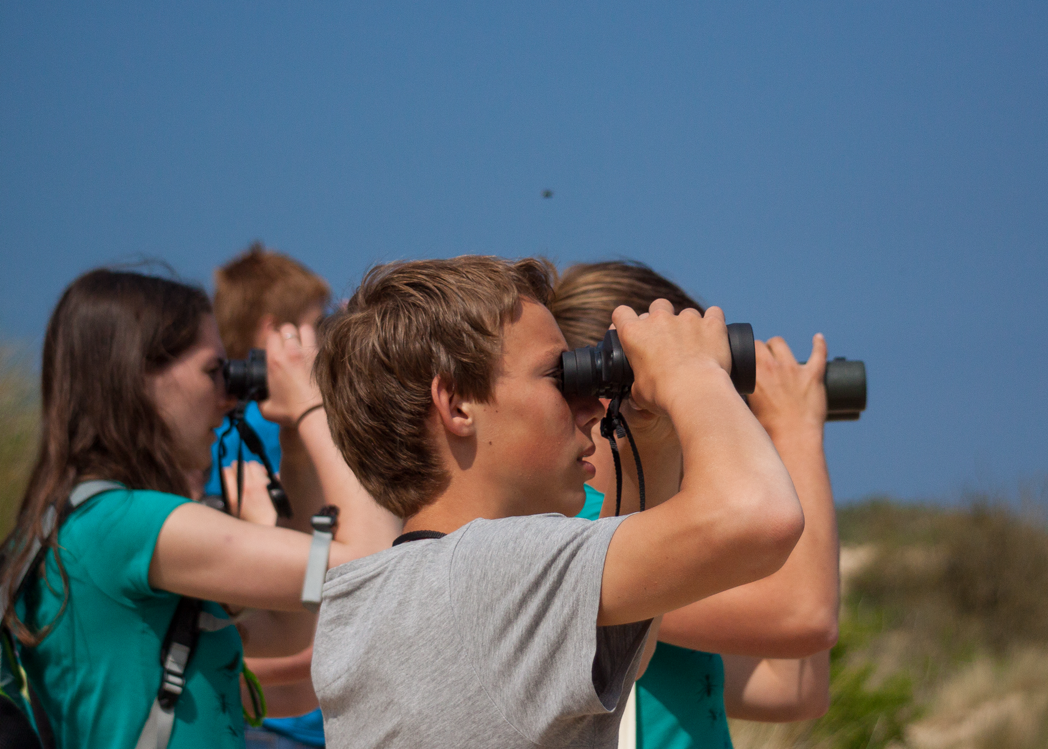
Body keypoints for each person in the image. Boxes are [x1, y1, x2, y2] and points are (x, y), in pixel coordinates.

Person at [309, 256, 805, 748]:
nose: (590, 406)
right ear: (457, 404)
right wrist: (692, 373)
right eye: (557, 376)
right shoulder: (493, 570)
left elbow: (641, 644)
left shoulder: (362, 598)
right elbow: (761, 516)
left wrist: (650, 436)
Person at [0, 268, 399, 748]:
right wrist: (314, 405)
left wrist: (294, 442)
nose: (229, 396)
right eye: (214, 371)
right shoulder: (126, 523)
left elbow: (288, 625)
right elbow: (371, 568)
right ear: (139, 376)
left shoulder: (81, 523)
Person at [551, 261, 837, 748]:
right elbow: (805, 615)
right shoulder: (584, 530)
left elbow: (795, 688)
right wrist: (792, 429)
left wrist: (777, 442)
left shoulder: (655, 526)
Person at [209, 244, 333, 749]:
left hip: (253, 708)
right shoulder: (292, 424)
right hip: (300, 714)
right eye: (315, 323)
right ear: (273, 334)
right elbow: (325, 559)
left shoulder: (217, 431)